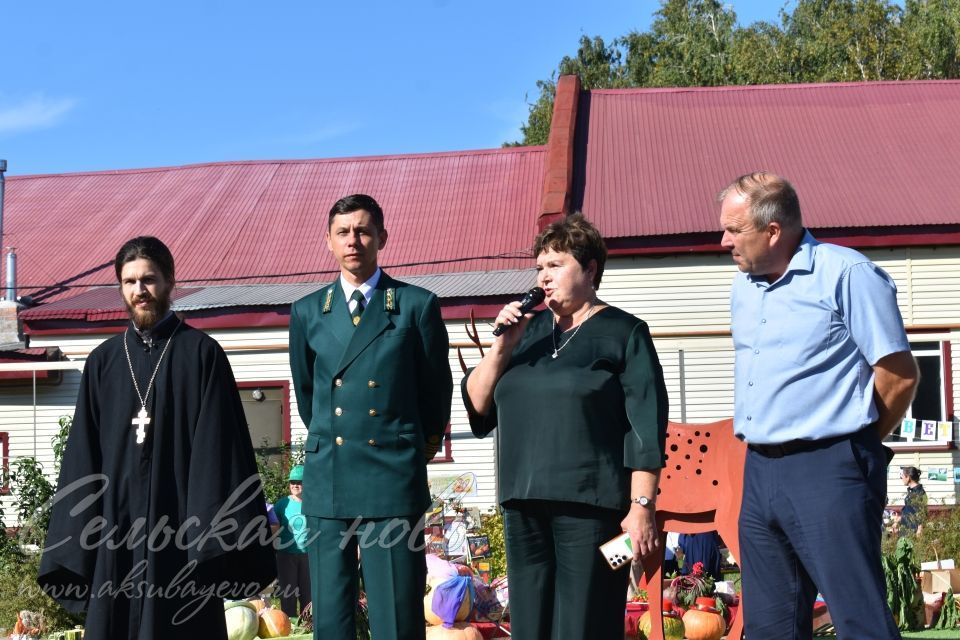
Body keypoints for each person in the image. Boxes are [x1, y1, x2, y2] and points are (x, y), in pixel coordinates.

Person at [38, 236, 276, 640]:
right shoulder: (103, 362)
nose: (139, 290)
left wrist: (209, 539)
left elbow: (220, 452)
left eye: (148, 279)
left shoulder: (202, 354)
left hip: (181, 527)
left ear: (169, 282)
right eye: (129, 281)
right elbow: (82, 456)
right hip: (115, 528)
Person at [719, 172, 920, 639]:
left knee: (858, 620)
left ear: (773, 231)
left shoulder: (846, 273)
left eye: (734, 229)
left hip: (829, 468)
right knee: (770, 627)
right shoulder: (742, 287)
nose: (723, 239)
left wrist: (857, 442)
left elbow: (898, 374)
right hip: (759, 469)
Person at [462, 213, 669, 640]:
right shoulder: (527, 333)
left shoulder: (624, 332)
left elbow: (646, 427)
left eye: (555, 265)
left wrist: (641, 507)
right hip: (523, 502)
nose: (544, 276)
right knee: (530, 624)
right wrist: (503, 346)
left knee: (583, 623)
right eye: (539, 267)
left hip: (593, 506)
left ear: (590, 269)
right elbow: (479, 406)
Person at [288, 194, 453, 640]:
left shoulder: (415, 305)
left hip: (392, 476)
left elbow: (437, 393)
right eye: (343, 232)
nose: (353, 240)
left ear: (382, 236)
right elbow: (309, 397)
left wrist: (413, 448)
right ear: (328, 241)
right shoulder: (307, 312)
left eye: (363, 231)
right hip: (331, 476)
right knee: (331, 617)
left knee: (397, 616)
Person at [274, 464, 311, 617]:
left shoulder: (313, 504)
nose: (295, 485)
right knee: (288, 592)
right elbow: (273, 528)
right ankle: (287, 622)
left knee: (307, 593)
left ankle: (308, 624)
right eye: (292, 482)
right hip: (286, 554)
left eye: (299, 482)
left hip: (308, 555)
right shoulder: (282, 505)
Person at [899, 466, 928, 535]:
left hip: (913, 530)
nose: (901, 478)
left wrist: (920, 529)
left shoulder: (919, 492)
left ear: (908, 477)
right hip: (906, 529)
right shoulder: (911, 492)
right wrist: (899, 519)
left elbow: (922, 512)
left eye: (902, 476)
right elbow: (909, 510)